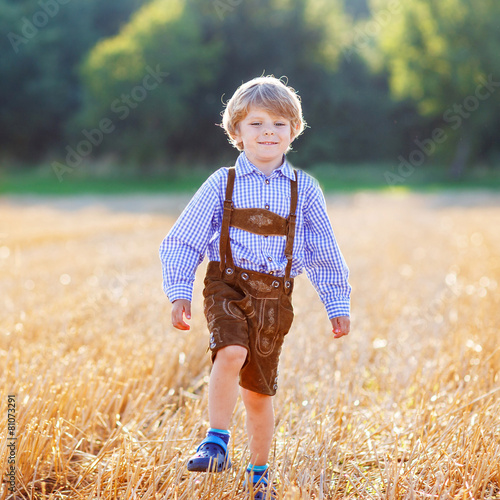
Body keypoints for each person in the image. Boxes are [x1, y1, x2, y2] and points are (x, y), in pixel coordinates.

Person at [159, 75, 351, 499]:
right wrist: (179, 291)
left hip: (274, 299)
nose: (268, 131)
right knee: (230, 352)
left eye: (280, 124)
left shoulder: (305, 191)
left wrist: (337, 304)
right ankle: (216, 441)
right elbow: (183, 239)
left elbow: (324, 253)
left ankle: (260, 474)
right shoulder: (220, 183)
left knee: (258, 394)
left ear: (294, 131)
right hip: (226, 285)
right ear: (237, 132)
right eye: (257, 123)